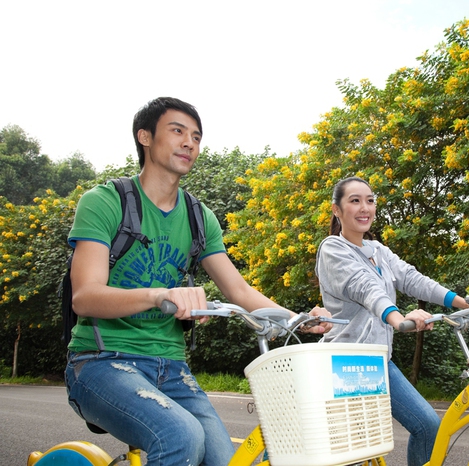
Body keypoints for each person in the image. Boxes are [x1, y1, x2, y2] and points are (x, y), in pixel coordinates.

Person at [65, 96, 330, 466]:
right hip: (101, 362)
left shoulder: (198, 217)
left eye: (197, 136)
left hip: (171, 367)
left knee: (224, 461)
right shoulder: (106, 202)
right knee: (180, 436)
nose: (190, 142)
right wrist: (160, 295)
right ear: (144, 136)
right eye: (177, 131)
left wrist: (296, 318)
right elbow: (86, 296)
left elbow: (238, 290)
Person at [314, 176, 469, 466]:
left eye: (370, 201)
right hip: (345, 365)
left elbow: (412, 279)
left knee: (428, 426)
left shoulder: (377, 251)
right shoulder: (333, 249)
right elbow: (366, 290)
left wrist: (465, 304)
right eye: (355, 201)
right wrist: (399, 319)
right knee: (353, 452)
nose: (365, 208)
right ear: (337, 210)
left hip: (378, 362)